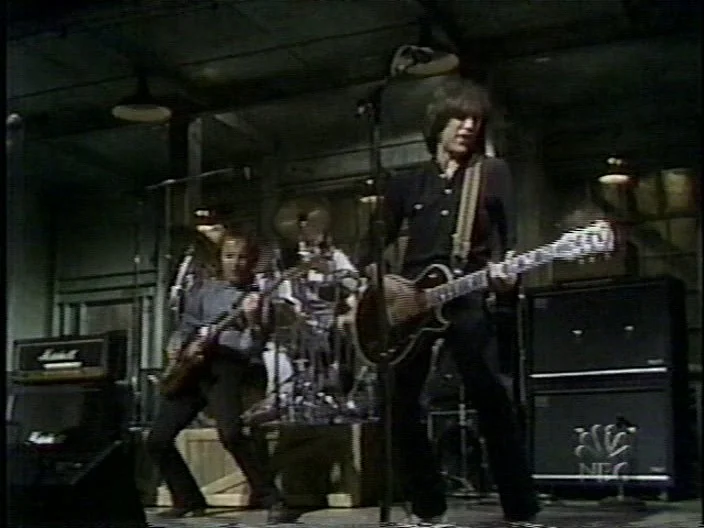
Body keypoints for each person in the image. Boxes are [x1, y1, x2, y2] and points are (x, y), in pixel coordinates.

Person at [361, 77, 540, 525]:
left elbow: (509, 245)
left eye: (476, 119)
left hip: (467, 295)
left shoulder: (492, 173)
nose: (468, 126)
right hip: (410, 304)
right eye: (459, 117)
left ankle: (521, 511)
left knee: (491, 399)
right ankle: (427, 511)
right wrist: (388, 288)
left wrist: (505, 278)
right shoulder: (406, 182)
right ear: (437, 123)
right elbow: (369, 252)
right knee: (398, 405)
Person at [147, 226, 300, 523]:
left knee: (231, 434)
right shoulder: (204, 290)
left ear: (252, 261)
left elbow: (253, 348)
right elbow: (187, 325)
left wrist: (253, 321)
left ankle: (273, 500)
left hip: (228, 365)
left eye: (243, 257)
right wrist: (176, 346)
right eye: (230, 256)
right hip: (193, 367)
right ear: (220, 258)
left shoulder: (259, 298)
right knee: (157, 440)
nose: (236, 263)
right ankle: (188, 499)